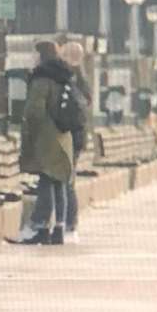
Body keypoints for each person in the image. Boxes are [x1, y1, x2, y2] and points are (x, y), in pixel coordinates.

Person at [14, 40, 79, 246]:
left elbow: (34, 110)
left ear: (41, 56)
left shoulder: (42, 78)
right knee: (60, 183)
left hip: (46, 137)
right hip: (64, 136)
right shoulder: (65, 76)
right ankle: (59, 227)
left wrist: (28, 131)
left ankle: (41, 227)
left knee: (45, 182)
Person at [59, 41, 94, 244]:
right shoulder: (82, 81)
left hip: (64, 135)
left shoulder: (63, 79)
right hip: (78, 136)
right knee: (69, 181)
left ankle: (65, 223)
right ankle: (71, 225)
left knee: (63, 182)